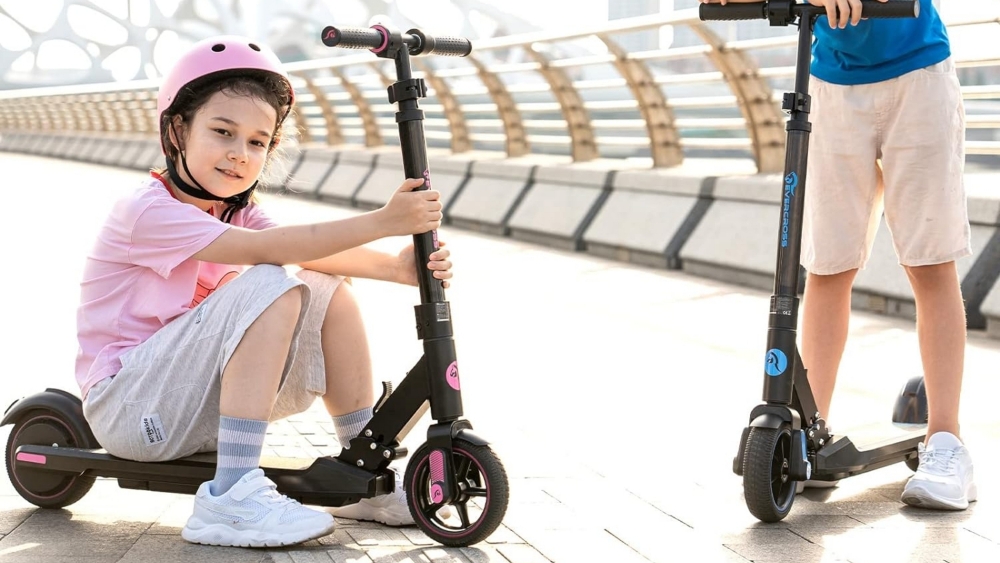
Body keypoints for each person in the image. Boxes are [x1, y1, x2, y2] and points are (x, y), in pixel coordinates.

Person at [75, 35, 454, 547]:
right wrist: (384, 221)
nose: (239, 154)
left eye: (257, 142)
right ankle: (230, 496)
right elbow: (277, 247)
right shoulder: (148, 210)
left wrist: (396, 268)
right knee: (272, 281)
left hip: (194, 402)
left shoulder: (235, 210)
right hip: (131, 409)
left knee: (321, 285)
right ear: (177, 129)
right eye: (223, 132)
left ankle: (363, 466)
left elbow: (311, 252)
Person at [700, 0, 976, 510]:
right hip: (829, 84)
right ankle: (810, 434)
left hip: (918, 75)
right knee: (827, 267)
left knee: (929, 263)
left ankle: (946, 443)